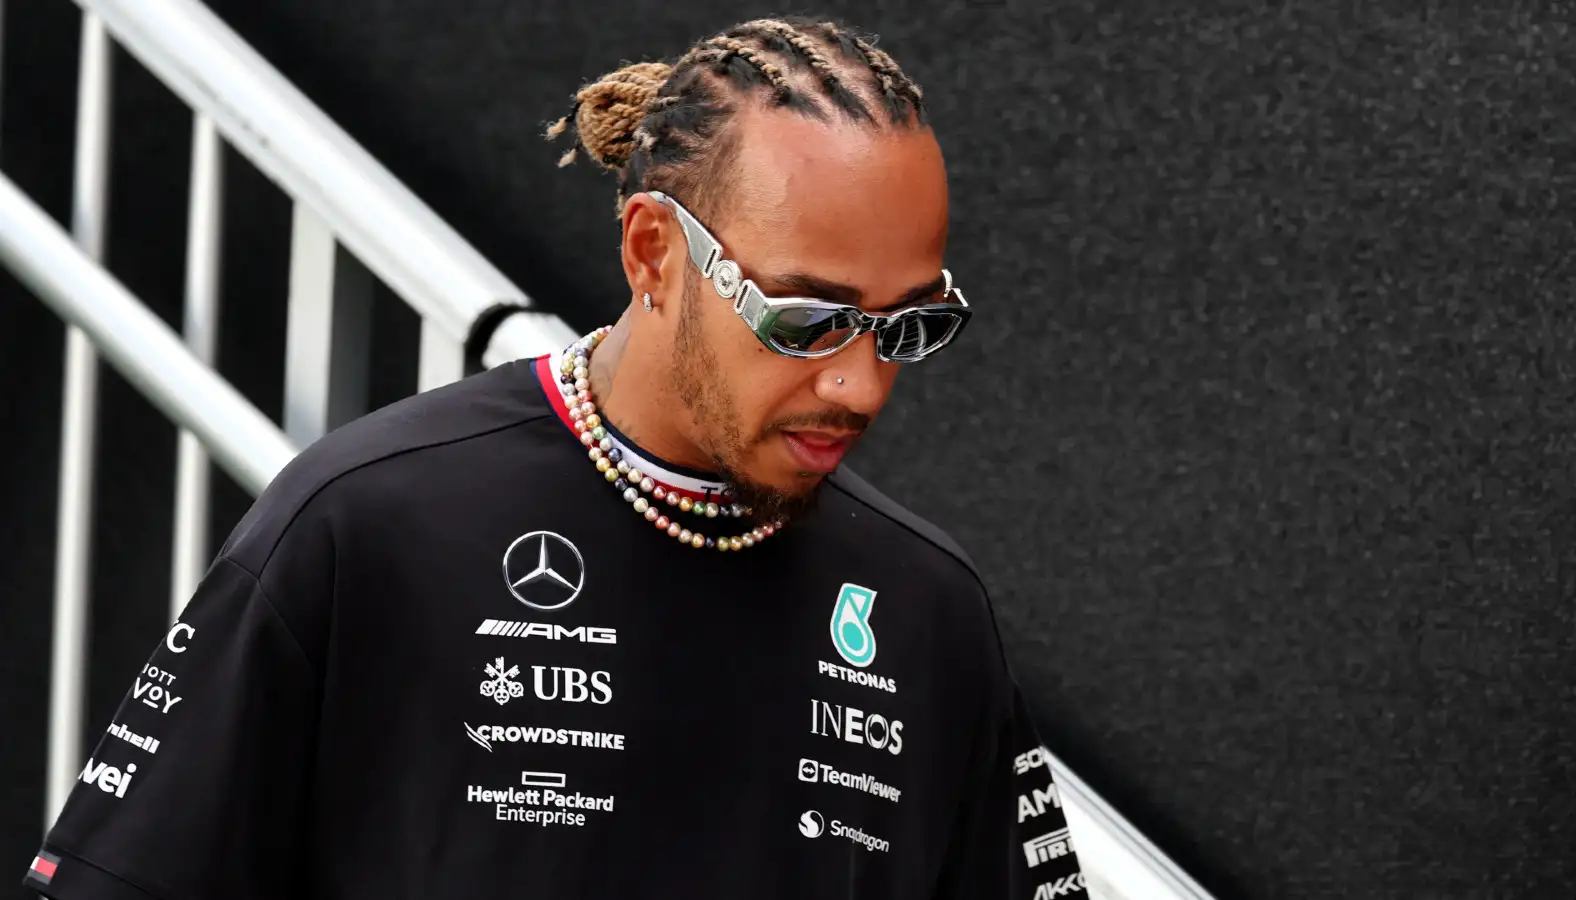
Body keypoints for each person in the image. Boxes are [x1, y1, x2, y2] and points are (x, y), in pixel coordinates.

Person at [24, 15, 1087, 900]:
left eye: (908, 328)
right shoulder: (369, 524)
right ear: (652, 254)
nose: (860, 384)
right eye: (807, 320)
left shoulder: (927, 612)